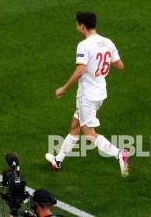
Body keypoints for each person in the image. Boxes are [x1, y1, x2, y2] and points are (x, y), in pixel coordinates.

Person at [45, 11, 129, 177]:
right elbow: (120, 65)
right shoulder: (108, 42)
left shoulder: (83, 45)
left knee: (89, 133)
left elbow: (80, 70)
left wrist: (63, 88)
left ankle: (119, 153)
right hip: (100, 93)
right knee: (75, 124)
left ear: (82, 26)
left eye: (77, 24)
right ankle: (58, 160)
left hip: (87, 96)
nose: (76, 26)